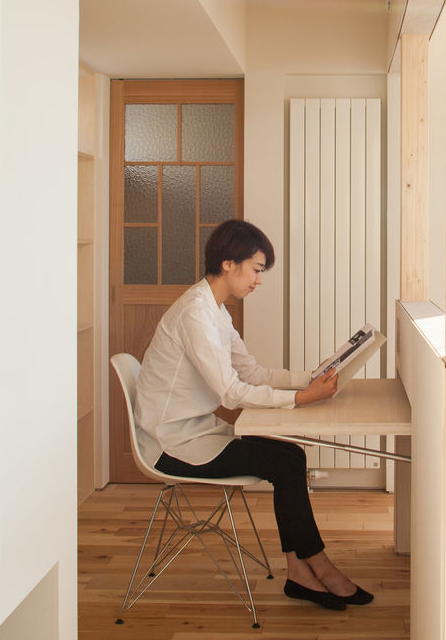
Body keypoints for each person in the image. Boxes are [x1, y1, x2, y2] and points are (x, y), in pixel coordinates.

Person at [133, 218, 373, 611]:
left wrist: (309, 378)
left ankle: (300, 571)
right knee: (286, 461)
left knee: (290, 457)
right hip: (171, 444)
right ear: (229, 263)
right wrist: (300, 399)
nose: (259, 280)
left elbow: (251, 373)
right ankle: (317, 566)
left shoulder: (215, 310)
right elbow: (230, 392)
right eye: (257, 269)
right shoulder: (196, 314)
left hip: (195, 432)